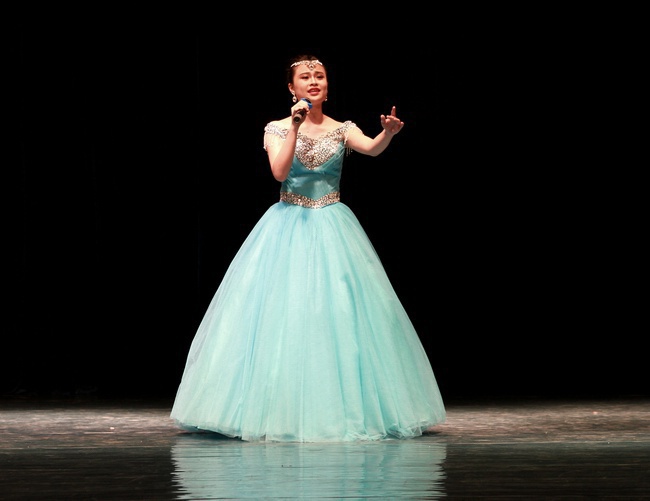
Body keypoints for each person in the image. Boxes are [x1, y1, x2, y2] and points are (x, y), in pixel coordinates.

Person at [170, 54, 446, 442]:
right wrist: (295, 127)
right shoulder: (277, 128)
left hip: (332, 224)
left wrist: (388, 134)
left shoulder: (342, 128)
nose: (314, 81)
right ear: (291, 87)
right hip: (287, 224)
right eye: (305, 76)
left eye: (320, 76)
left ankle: (340, 407)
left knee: (339, 313)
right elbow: (279, 172)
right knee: (282, 313)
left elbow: (370, 148)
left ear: (327, 87)